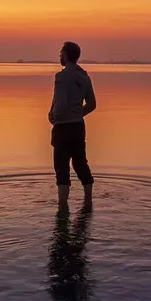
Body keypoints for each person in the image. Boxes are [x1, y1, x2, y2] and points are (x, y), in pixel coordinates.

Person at [48, 41, 96, 205]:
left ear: (67, 55)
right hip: (78, 127)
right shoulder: (84, 76)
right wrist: (76, 113)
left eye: (61, 52)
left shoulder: (61, 77)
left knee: (61, 169)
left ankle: (62, 207)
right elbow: (92, 105)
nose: (59, 55)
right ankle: (88, 202)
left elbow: (61, 104)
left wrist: (54, 116)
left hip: (63, 128)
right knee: (80, 163)